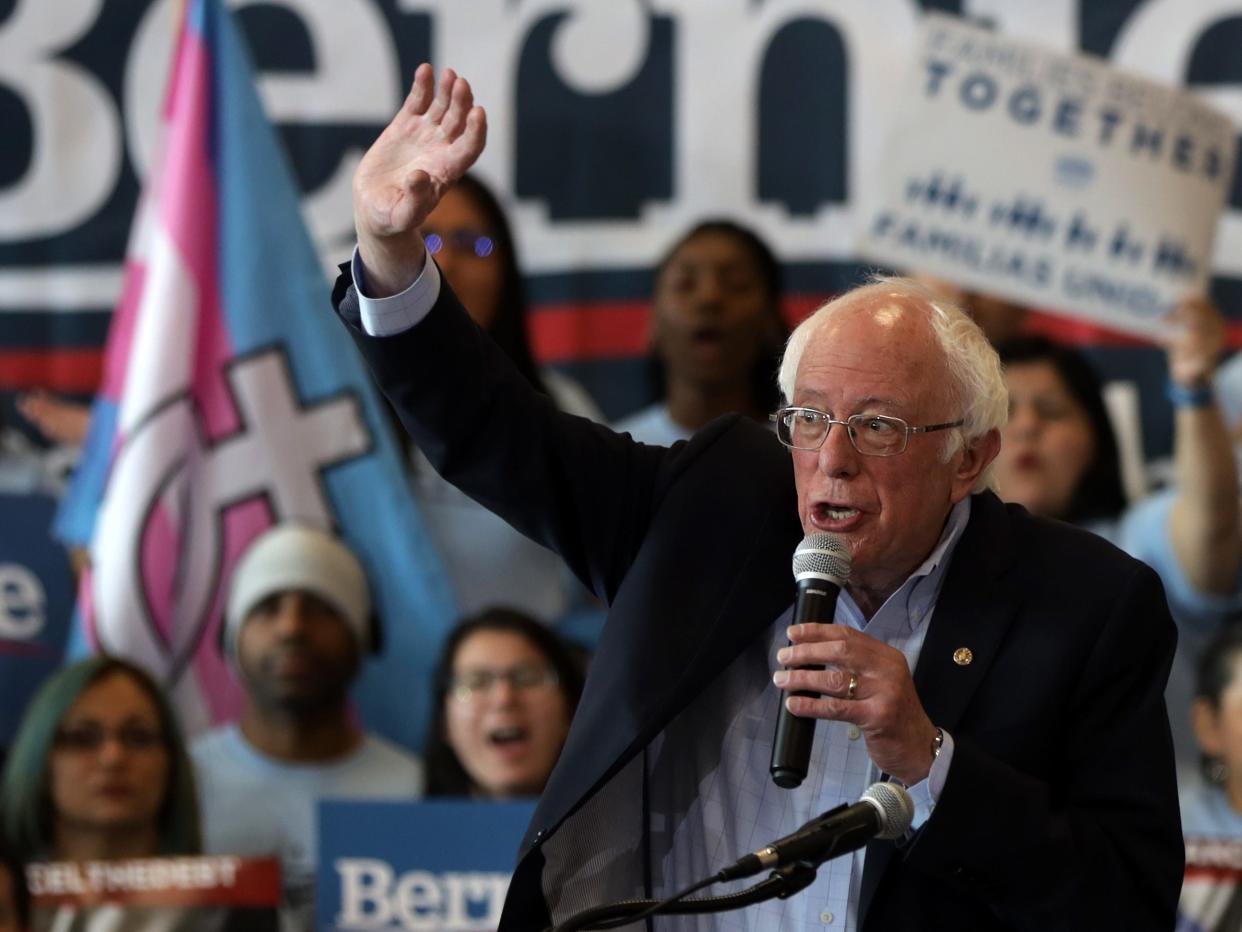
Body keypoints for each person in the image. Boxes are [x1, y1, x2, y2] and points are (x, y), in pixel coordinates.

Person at [334, 65, 1182, 930]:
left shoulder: (1086, 608)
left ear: (970, 460)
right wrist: (389, 253)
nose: (834, 460)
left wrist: (931, 762)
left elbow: (1127, 903)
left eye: (880, 426)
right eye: (811, 419)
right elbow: (496, 436)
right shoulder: (709, 509)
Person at [994, 325, 1242, 774]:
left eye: (1050, 411)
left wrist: (1193, 389)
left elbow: (1213, 524)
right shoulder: (935, 562)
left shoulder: (1136, 540)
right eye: (1005, 412)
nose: (1027, 426)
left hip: (1166, 835)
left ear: (1096, 440)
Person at [377, 172, 604, 635]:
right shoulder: (356, 411)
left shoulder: (560, 405)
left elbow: (615, 570)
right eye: (428, 240)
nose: (448, 263)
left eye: (473, 244)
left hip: (525, 689)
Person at [190, 524, 424, 922]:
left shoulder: (417, 788)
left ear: (363, 636)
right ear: (231, 637)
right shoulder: (178, 782)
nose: (292, 628)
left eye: (320, 609)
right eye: (267, 608)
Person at [0, 656, 200, 864]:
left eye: (138, 738)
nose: (113, 758)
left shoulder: (223, 893)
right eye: (83, 738)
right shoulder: (6, 892)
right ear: (40, 757)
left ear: (172, 761)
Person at [616, 220, 787, 444]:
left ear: (771, 319)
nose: (709, 298)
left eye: (736, 284)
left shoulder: (803, 453)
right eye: (685, 283)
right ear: (653, 322)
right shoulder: (617, 457)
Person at [425, 608, 584, 798]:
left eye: (527, 678)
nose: (504, 699)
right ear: (445, 723)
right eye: (477, 682)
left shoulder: (621, 821)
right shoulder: (406, 826)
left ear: (571, 710)